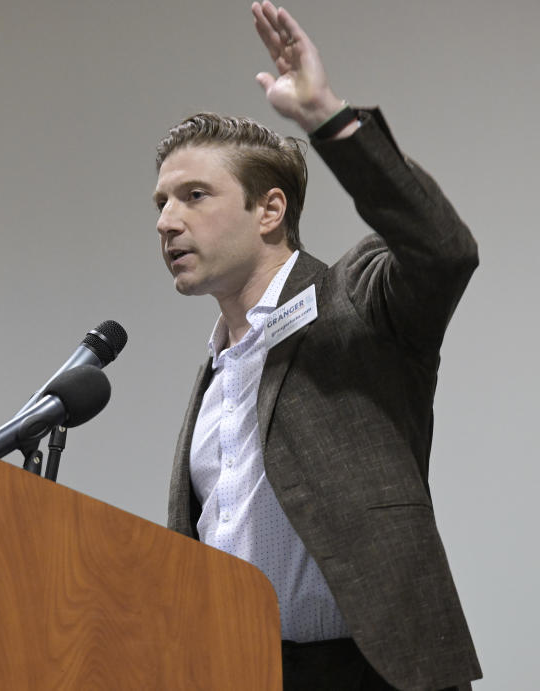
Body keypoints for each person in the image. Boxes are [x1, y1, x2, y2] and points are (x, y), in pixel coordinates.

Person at [156, 3, 481, 689]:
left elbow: (444, 248)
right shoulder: (215, 372)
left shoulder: (359, 301)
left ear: (269, 210)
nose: (167, 221)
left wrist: (328, 118)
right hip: (240, 670)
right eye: (161, 202)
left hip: (369, 671)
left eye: (192, 195)